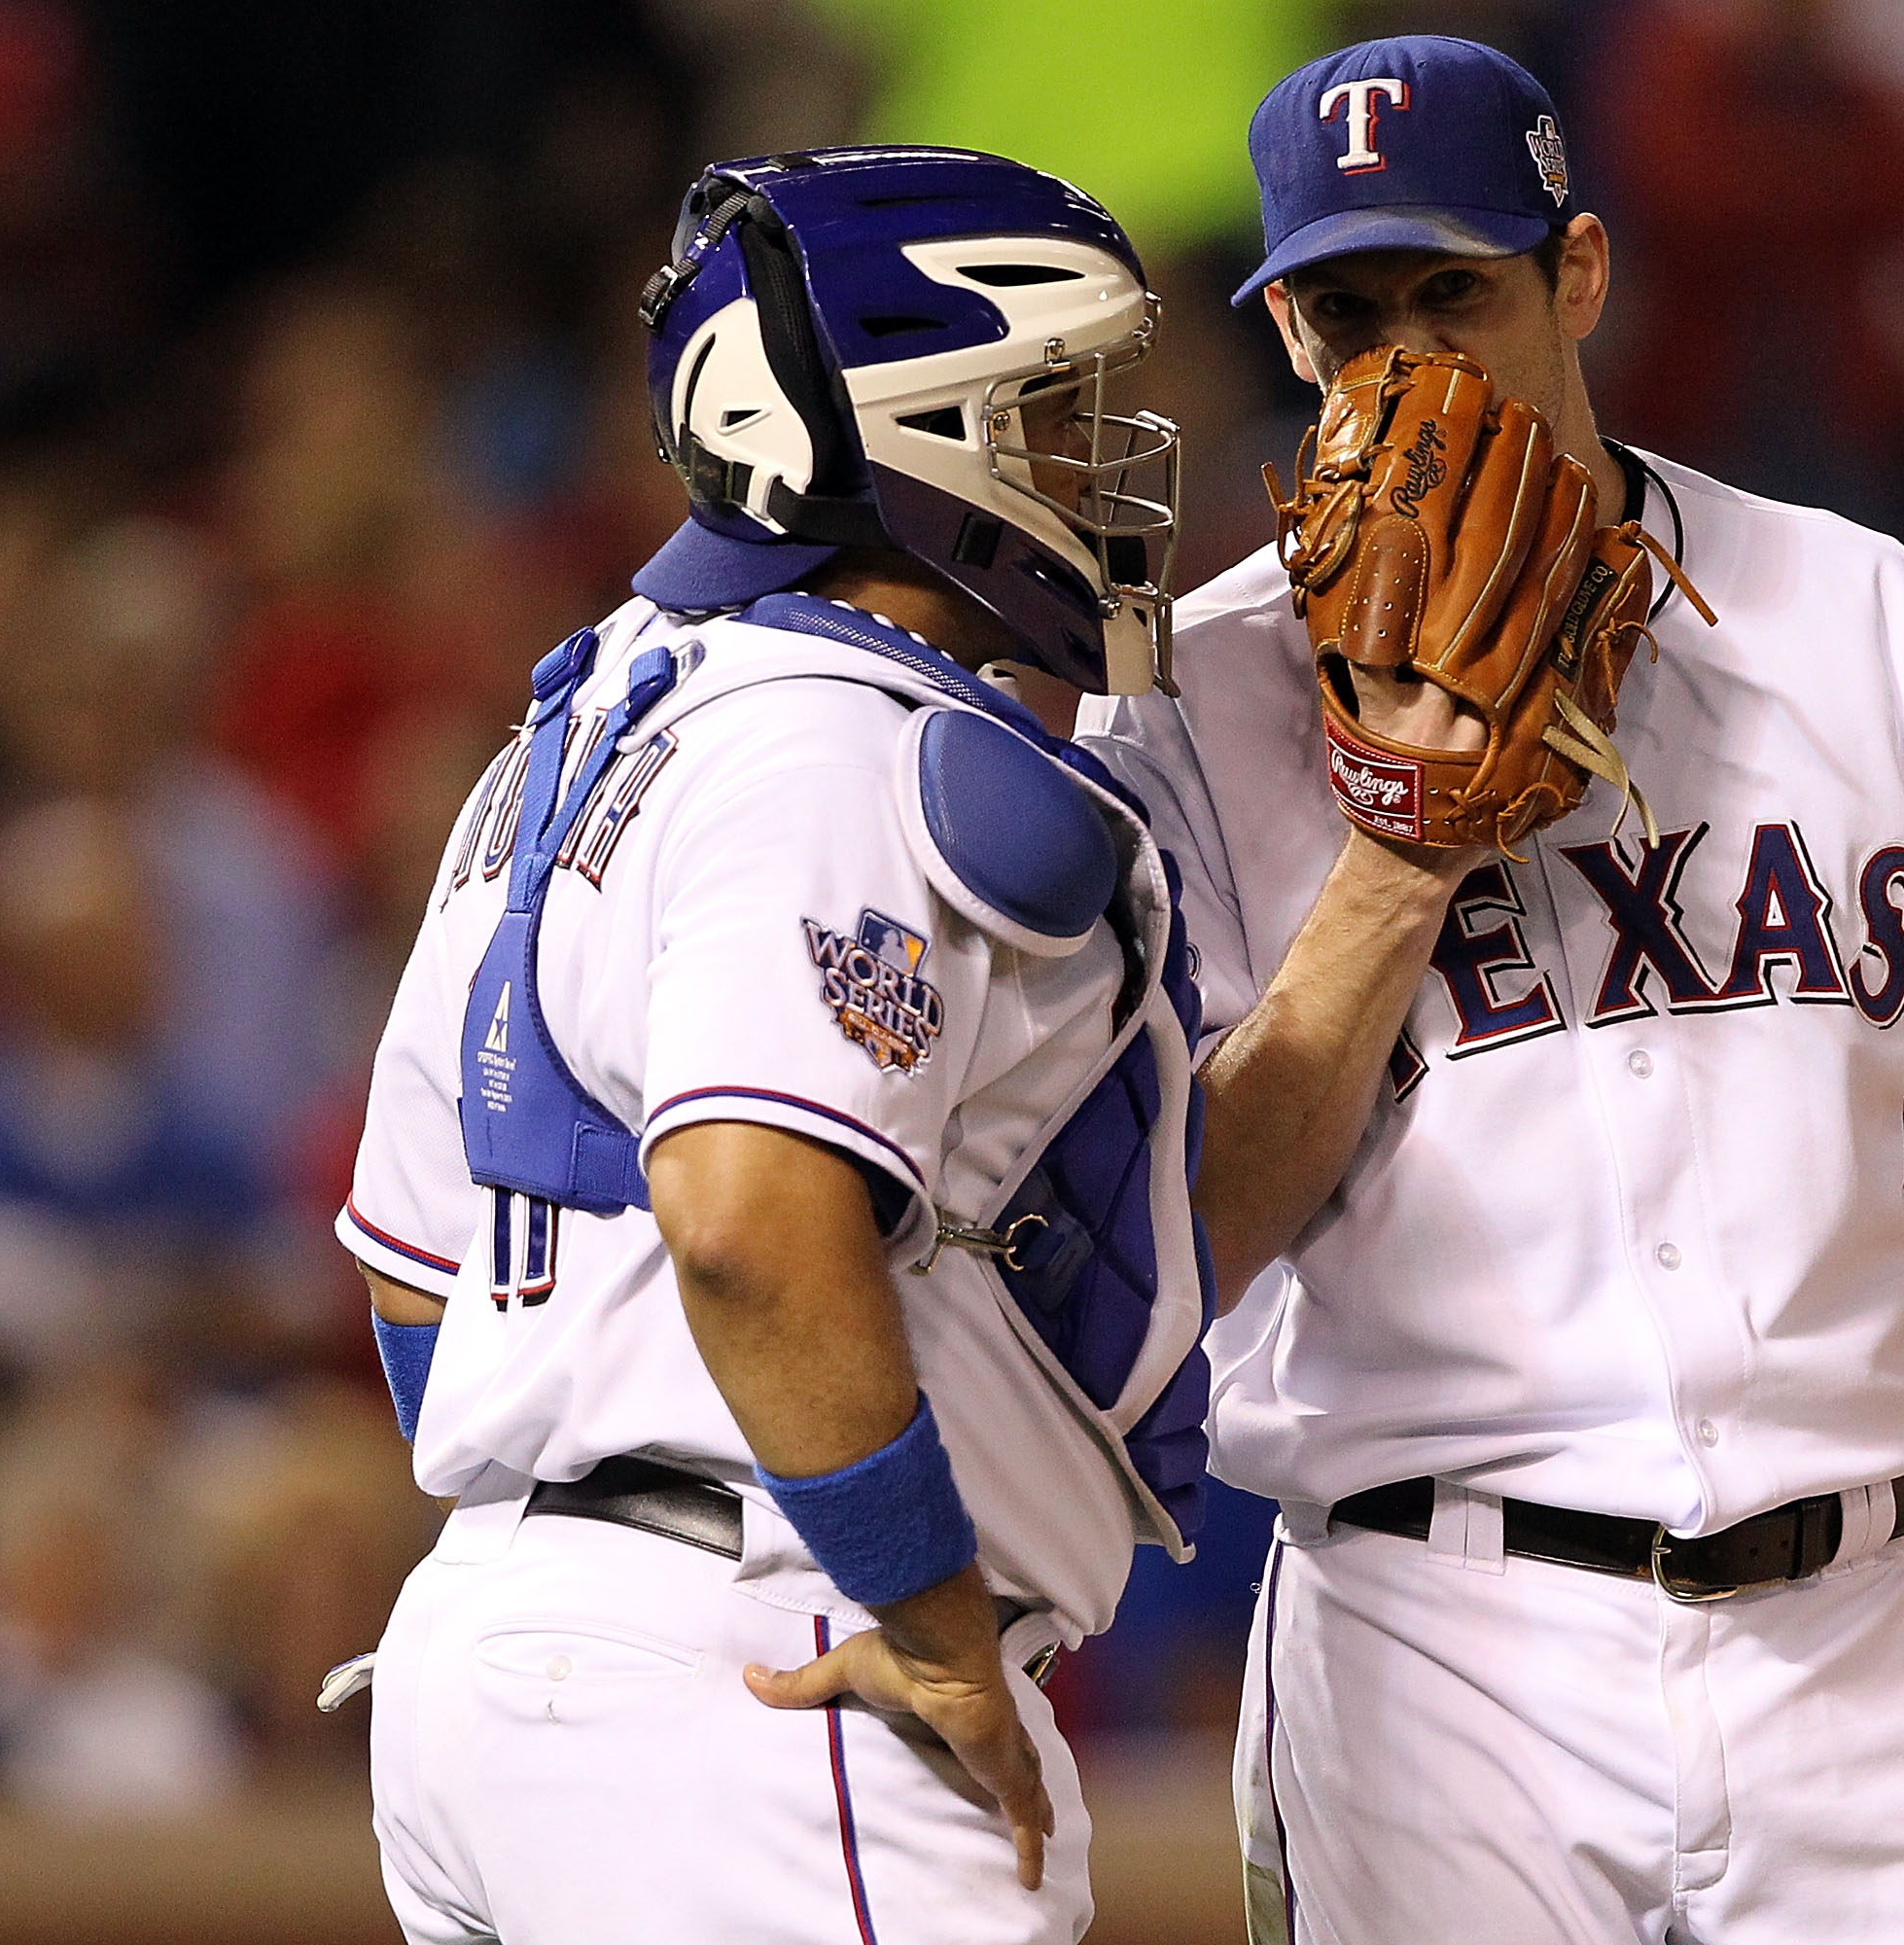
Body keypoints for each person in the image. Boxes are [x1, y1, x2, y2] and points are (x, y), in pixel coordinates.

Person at [1081, 36, 1904, 1942]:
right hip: (1434, 1647)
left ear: (1577, 276)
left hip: (1846, 1642)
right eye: (1351, 311)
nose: (1414, 356)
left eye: (1459, 290)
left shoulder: (1856, 615)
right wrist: (1402, 853)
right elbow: (1188, 1232)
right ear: (1283, 336)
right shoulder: (1190, 702)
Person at [334, 148, 1211, 1945]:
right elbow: (744, 1220)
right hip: (776, 1660)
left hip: (493, 1649)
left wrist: (570, 1516)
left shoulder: (565, 740)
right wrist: (934, 1622)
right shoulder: (830, 739)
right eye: (1052, 399)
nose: (1105, 446)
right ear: (916, 426)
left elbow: (416, 1279)